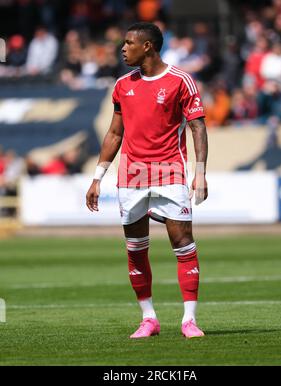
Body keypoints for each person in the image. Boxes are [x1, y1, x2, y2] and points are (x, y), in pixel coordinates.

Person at [86, 22, 208, 339]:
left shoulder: (182, 81)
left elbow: (197, 127)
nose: (123, 48)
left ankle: (189, 320)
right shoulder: (122, 85)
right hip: (131, 174)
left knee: (182, 243)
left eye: (128, 43)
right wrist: (97, 177)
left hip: (171, 171)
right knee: (136, 248)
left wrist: (201, 173)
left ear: (148, 46)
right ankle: (149, 318)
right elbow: (114, 133)